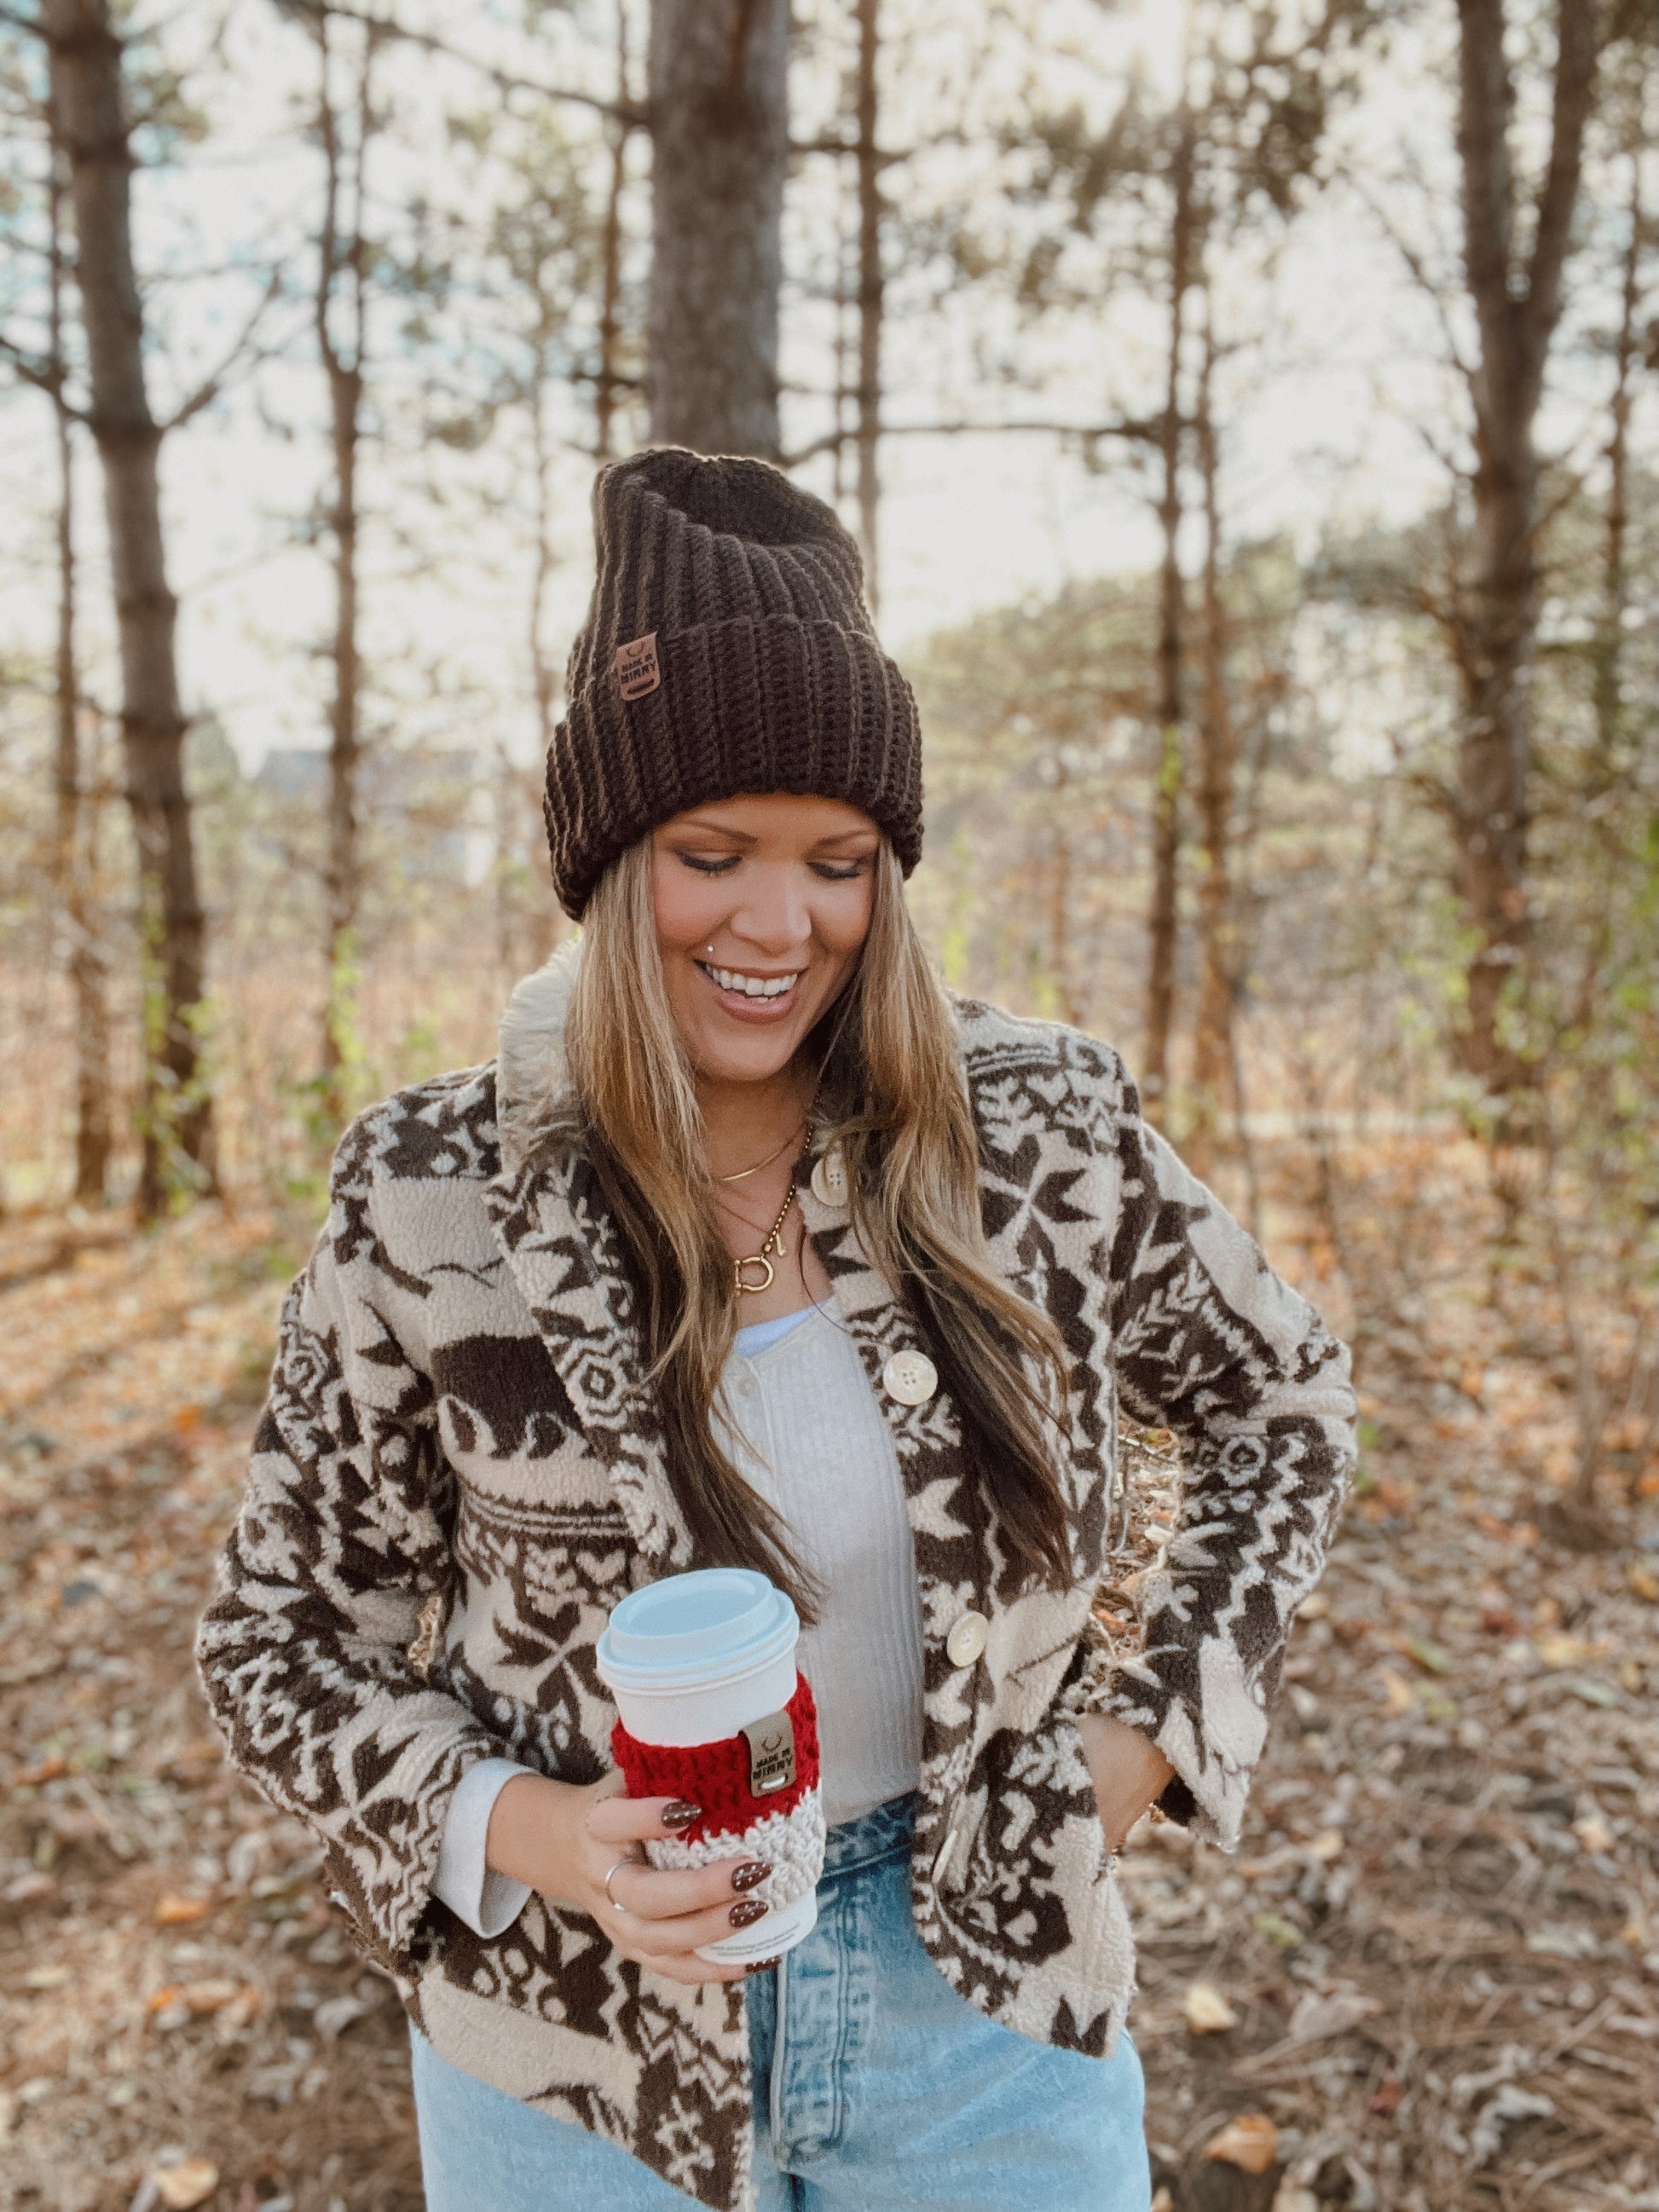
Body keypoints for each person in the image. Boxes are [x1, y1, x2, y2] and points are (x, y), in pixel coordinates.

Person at [196, 448, 1356, 2212]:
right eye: (710, 851)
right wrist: (546, 1835)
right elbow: (277, 1639)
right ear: (603, 863)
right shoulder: (426, 1194)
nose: (778, 920)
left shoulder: (1039, 1127)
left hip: (981, 2001)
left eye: (837, 859)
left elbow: (1284, 1399)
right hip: (566, 2047)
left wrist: (1144, 1744)